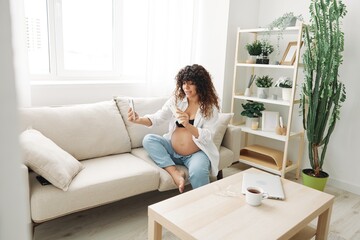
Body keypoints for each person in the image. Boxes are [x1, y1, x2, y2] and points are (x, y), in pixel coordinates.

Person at [128, 64, 220, 193]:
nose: (186, 87)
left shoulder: (210, 108)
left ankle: (203, 204)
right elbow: (158, 118)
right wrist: (138, 120)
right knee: (149, 140)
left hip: (196, 153)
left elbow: (207, 136)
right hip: (172, 149)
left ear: (201, 84)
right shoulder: (177, 100)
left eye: (191, 83)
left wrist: (188, 125)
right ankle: (174, 172)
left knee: (198, 172)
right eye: (183, 83)